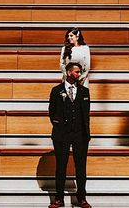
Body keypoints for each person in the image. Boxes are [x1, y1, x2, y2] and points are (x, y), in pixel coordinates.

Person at [48, 61, 91, 208]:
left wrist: (86, 134)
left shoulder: (84, 91)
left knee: (81, 167)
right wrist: (60, 126)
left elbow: (86, 114)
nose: (79, 74)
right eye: (77, 72)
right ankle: (58, 198)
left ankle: (82, 198)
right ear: (68, 73)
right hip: (62, 134)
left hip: (80, 134)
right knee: (61, 166)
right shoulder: (56, 90)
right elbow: (51, 112)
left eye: (79, 72)